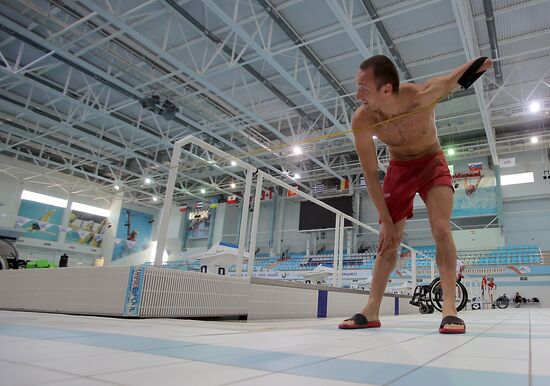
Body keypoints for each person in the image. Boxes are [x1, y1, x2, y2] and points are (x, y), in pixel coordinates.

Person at [338, 55, 492, 334]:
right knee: (388, 239)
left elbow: (452, 80)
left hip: (431, 161)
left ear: (386, 89)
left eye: (363, 88)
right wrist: (384, 219)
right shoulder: (362, 118)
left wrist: (479, 63)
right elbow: (371, 174)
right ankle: (371, 309)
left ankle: (449, 308)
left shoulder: (421, 96)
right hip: (399, 168)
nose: (357, 94)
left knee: (441, 228)